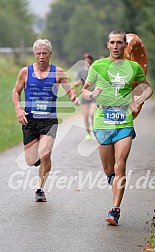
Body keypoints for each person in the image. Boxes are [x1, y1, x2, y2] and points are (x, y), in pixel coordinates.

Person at [82, 30, 153, 225]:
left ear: (124, 45)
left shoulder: (133, 67)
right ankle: (111, 178)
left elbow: (148, 87)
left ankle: (115, 209)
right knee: (109, 169)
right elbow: (84, 90)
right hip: (103, 121)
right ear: (107, 45)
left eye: (119, 43)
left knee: (120, 165)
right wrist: (91, 93)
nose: (115, 46)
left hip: (124, 121)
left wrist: (141, 97)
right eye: (112, 42)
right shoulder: (98, 66)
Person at [12, 39, 80, 202]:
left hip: (49, 121)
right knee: (30, 161)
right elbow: (16, 91)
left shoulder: (57, 72)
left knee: (45, 154)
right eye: (38, 53)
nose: (41, 56)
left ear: (50, 54)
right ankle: (39, 161)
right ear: (35, 55)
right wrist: (18, 109)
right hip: (30, 120)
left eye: (44, 53)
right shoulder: (25, 72)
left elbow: (68, 87)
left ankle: (39, 189)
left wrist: (73, 97)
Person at [75, 53, 96, 140]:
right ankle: (88, 133)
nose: (86, 61)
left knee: (92, 114)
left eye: (88, 59)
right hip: (84, 96)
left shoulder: (94, 70)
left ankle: (95, 129)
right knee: (86, 116)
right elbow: (78, 82)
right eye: (85, 59)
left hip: (93, 95)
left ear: (91, 60)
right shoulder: (81, 72)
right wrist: (76, 84)